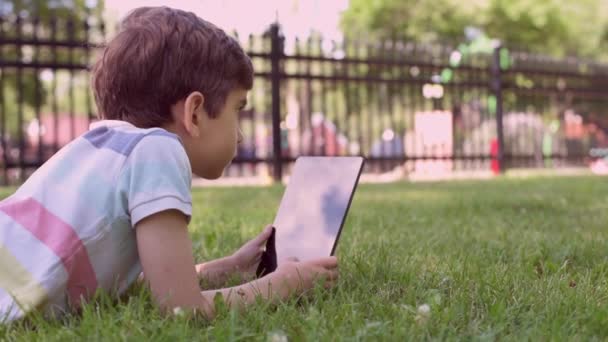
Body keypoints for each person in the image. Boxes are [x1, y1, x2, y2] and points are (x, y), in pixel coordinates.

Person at [0, 6, 338, 323]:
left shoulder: (101, 148)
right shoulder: (159, 149)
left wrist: (228, 267)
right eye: (238, 110)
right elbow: (181, 308)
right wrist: (282, 285)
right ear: (194, 113)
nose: (240, 134)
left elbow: (142, 281)